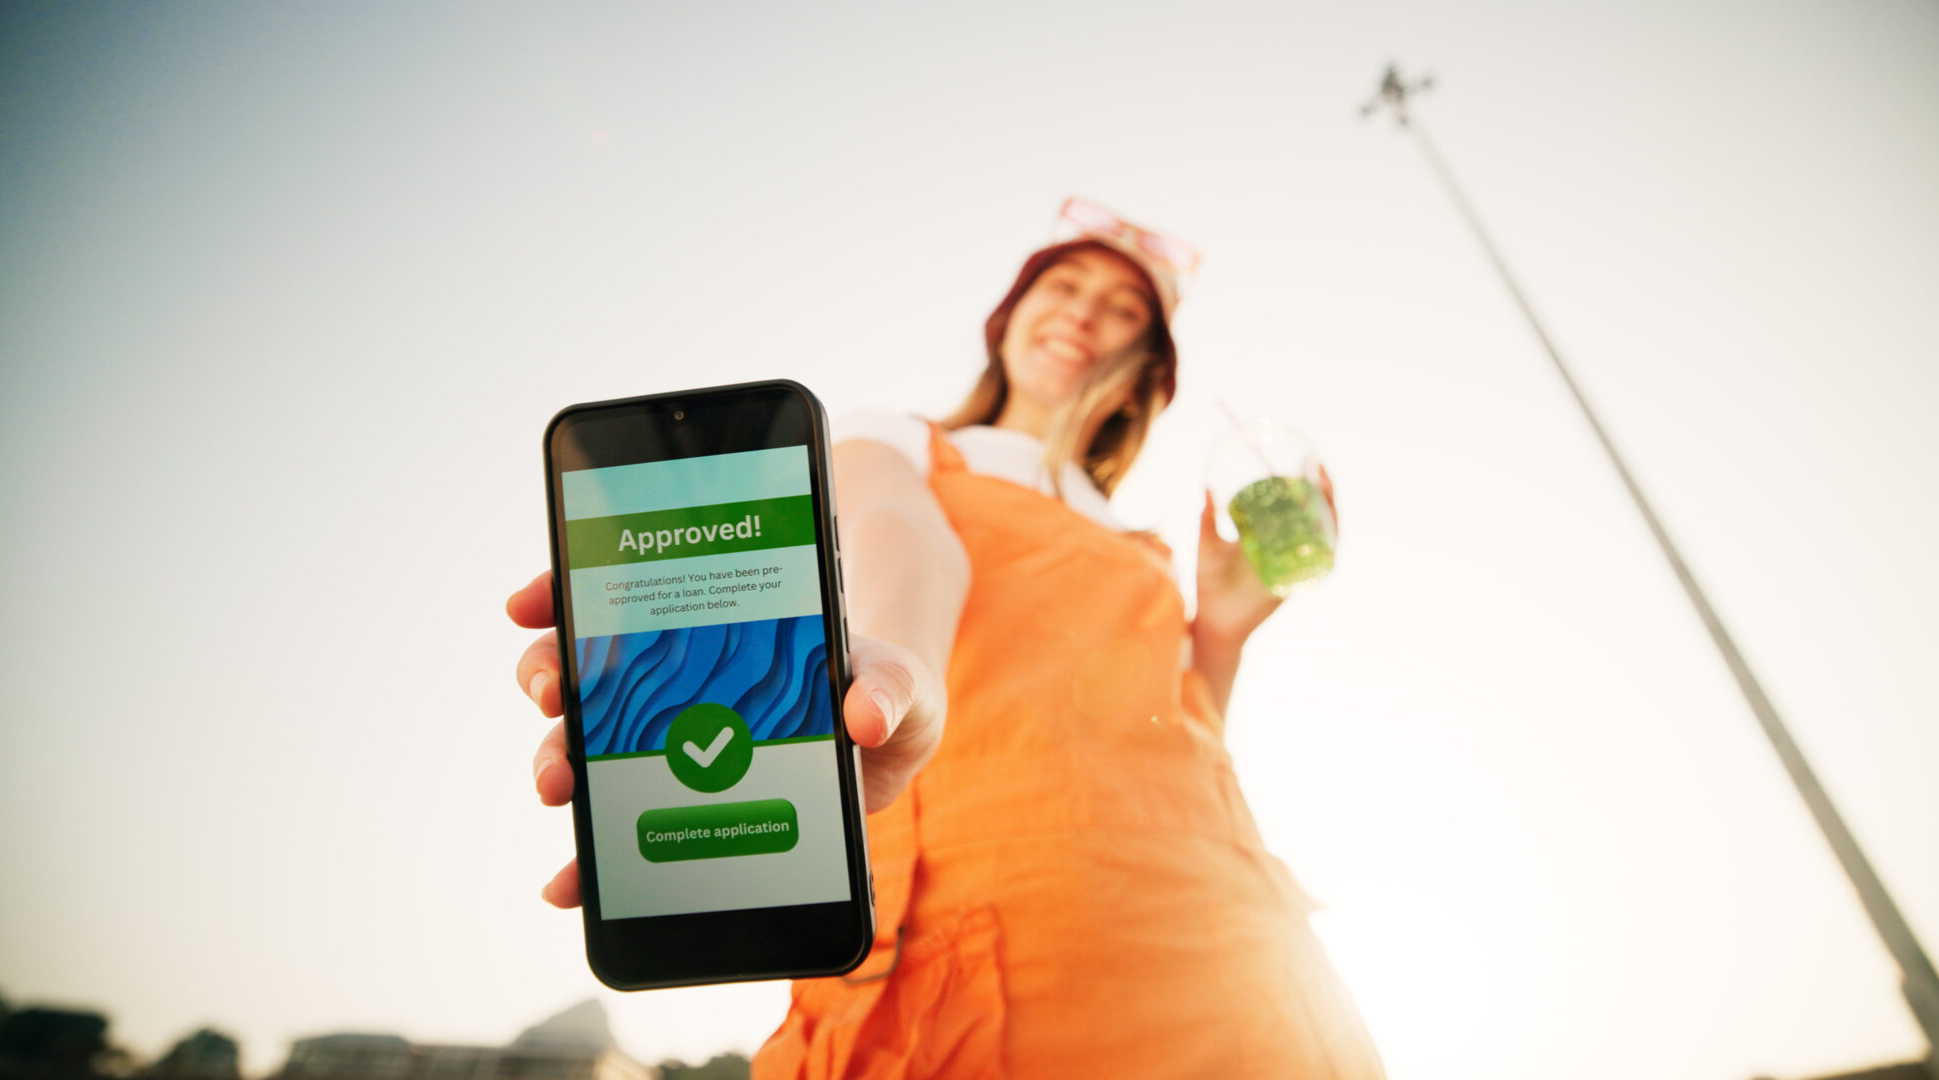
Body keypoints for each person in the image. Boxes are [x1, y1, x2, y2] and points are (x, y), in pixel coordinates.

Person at [507, 198, 1386, 1079]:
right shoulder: (903, 444)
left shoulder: (1145, 547)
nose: (1085, 311)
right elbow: (899, 535)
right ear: (1008, 321)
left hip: (1252, 964)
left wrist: (1222, 638)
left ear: (1149, 374)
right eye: (1066, 284)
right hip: (1021, 951)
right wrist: (901, 671)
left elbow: (1169, 745)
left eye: (1123, 309)